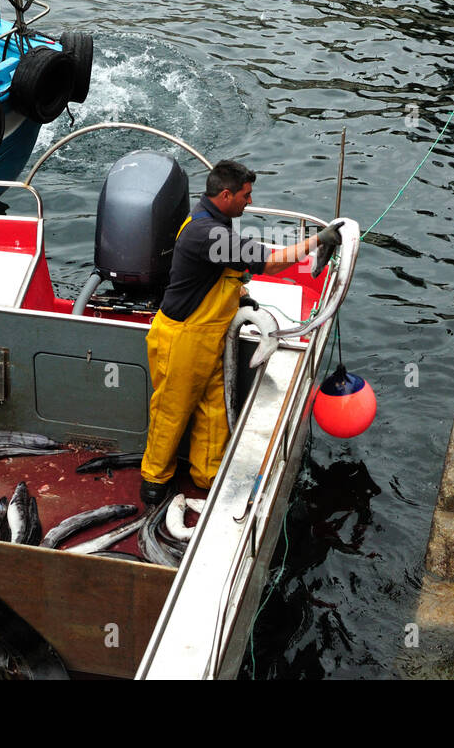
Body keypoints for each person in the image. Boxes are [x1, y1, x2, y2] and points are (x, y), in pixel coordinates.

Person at [140, 159, 343, 504]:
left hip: (209, 338)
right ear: (225, 195)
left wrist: (242, 297)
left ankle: (207, 475)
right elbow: (272, 263)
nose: (250, 202)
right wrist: (316, 241)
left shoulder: (212, 220)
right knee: (172, 411)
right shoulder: (208, 234)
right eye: (246, 195)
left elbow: (219, 274)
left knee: (214, 408)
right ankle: (154, 479)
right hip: (184, 339)